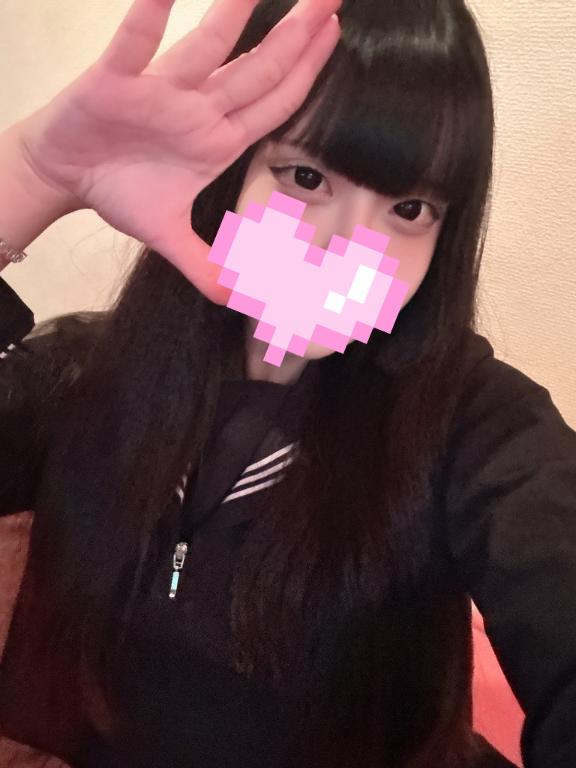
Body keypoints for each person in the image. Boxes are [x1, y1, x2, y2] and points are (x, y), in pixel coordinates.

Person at [0, 0, 574, 766]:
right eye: (306, 177)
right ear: (228, 174)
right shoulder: (88, 372)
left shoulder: (474, 421)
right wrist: (25, 178)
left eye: (409, 209)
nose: (348, 248)